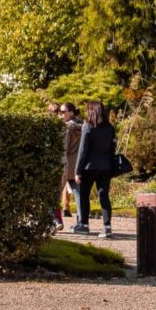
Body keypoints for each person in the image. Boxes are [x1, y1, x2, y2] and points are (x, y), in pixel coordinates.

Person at [72, 100, 116, 239]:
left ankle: (84, 225)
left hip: (89, 167)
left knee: (84, 194)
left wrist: (78, 171)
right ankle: (107, 226)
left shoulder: (88, 126)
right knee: (104, 195)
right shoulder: (109, 127)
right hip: (106, 166)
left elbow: (83, 151)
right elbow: (112, 148)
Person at [59, 103, 82, 218]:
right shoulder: (83, 125)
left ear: (71, 112)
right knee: (78, 193)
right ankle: (81, 220)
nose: (60, 114)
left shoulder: (67, 128)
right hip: (78, 162)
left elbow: (64, 147)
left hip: (67, 162)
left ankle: (58, 217)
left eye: (63, 112)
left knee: (58, 192)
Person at [47, 102, 66, 231]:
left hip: (53, 164)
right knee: (55, 195)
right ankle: (55, 220)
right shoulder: (64, 127)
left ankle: (54, 220)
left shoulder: (50, 127)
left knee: (52, 195)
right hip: (61, 164)